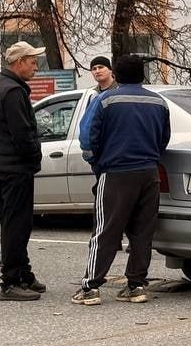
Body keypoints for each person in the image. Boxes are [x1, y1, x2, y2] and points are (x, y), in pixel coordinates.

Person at [72, 55, 170, 306]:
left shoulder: (105, 100)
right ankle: (136, 285)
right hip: (149, 173)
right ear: (142, 75)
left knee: (105, 229)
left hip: (115, 172)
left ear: (116, 74)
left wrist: (97, 162)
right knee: (142, 232)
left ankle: (90, 287)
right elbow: (164, 139)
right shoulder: (158, 102)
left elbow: (88, 137)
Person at [0, 41, 45, 301]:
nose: (35, 67)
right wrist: (34, 156)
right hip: (14, 167)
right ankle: (10, 281)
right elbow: (22, 133)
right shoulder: (13, 92)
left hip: (0, 164)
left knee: (15, 223)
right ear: (19, 62)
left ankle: (22, 273)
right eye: (32, 62)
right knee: (16, 225)